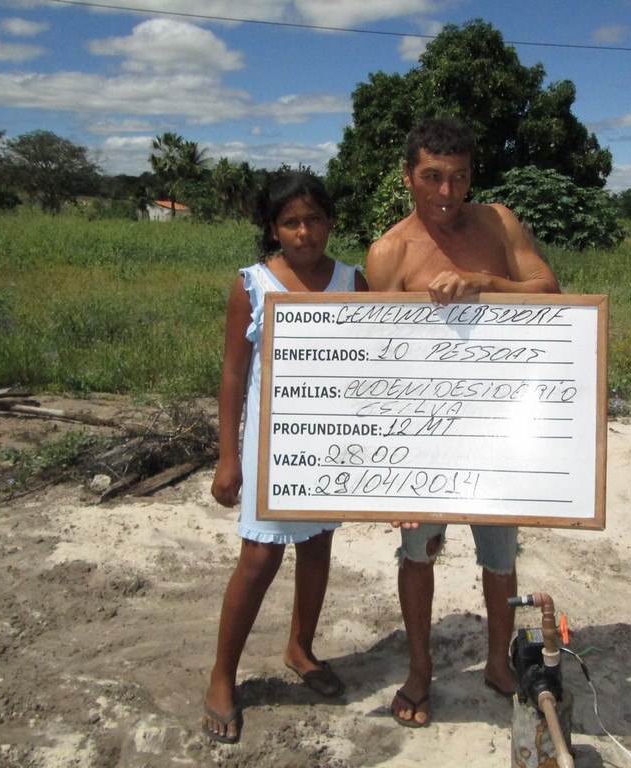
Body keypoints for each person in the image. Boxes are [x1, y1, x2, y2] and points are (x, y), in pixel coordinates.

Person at [366, 115, 561, 728]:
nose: (446, 192)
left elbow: (549, 291)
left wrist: (485, 282)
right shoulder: (389, 253)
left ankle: (499, 663)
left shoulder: (498, 222)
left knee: (500, 553)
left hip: (496, 426)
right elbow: (378, 362)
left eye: (458, 177)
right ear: (407, 176)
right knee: (417, 551)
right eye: (432, 177)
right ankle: (420, 670)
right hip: (421, 437)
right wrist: (391, 473)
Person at [202, 171, 369, 744]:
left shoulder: (352, 281)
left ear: (330, 222)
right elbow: (233, 374)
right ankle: (222, 675)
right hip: (272, 446)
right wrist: (228, 457)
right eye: (291, 222)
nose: (304, 232)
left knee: (318, 545)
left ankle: (301, 648)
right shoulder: (252, 285)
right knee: (259, 557)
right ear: (273, 228)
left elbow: (375, 361)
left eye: (314, 219)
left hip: (328, 443)